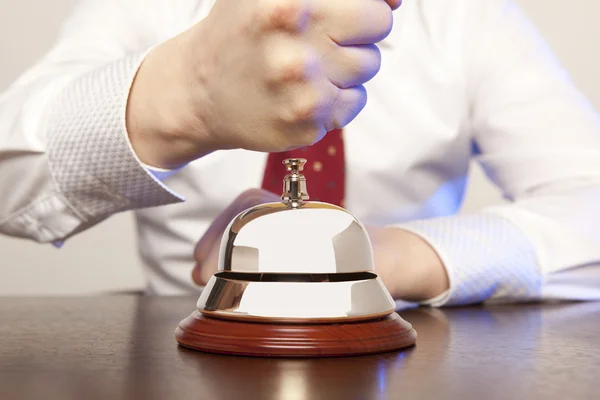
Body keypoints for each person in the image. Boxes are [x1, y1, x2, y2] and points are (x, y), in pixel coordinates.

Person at [1, 0, 599, 306]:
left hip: (405, 351)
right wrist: (186, 92)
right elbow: (9, 184)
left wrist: (400, 256)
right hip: (179, 351)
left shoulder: (468, 18)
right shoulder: (142, 8)